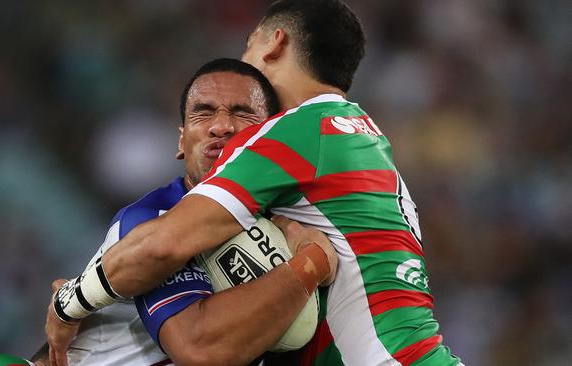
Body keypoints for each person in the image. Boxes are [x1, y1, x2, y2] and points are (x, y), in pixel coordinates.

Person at [47, 1, 464, 365]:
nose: (226, 128)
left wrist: (70, 304)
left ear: (273, 42)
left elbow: (162, 245)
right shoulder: (364, 138)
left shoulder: (297, 130)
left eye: (248, 47)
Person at [35, 58, 337, 366]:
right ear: (181, 141)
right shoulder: (151, 219)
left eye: (242, 113)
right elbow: (200, 349)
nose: (221, 126)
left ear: (271, 137)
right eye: (203, 113)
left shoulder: (293, 219)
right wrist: (312, 262)